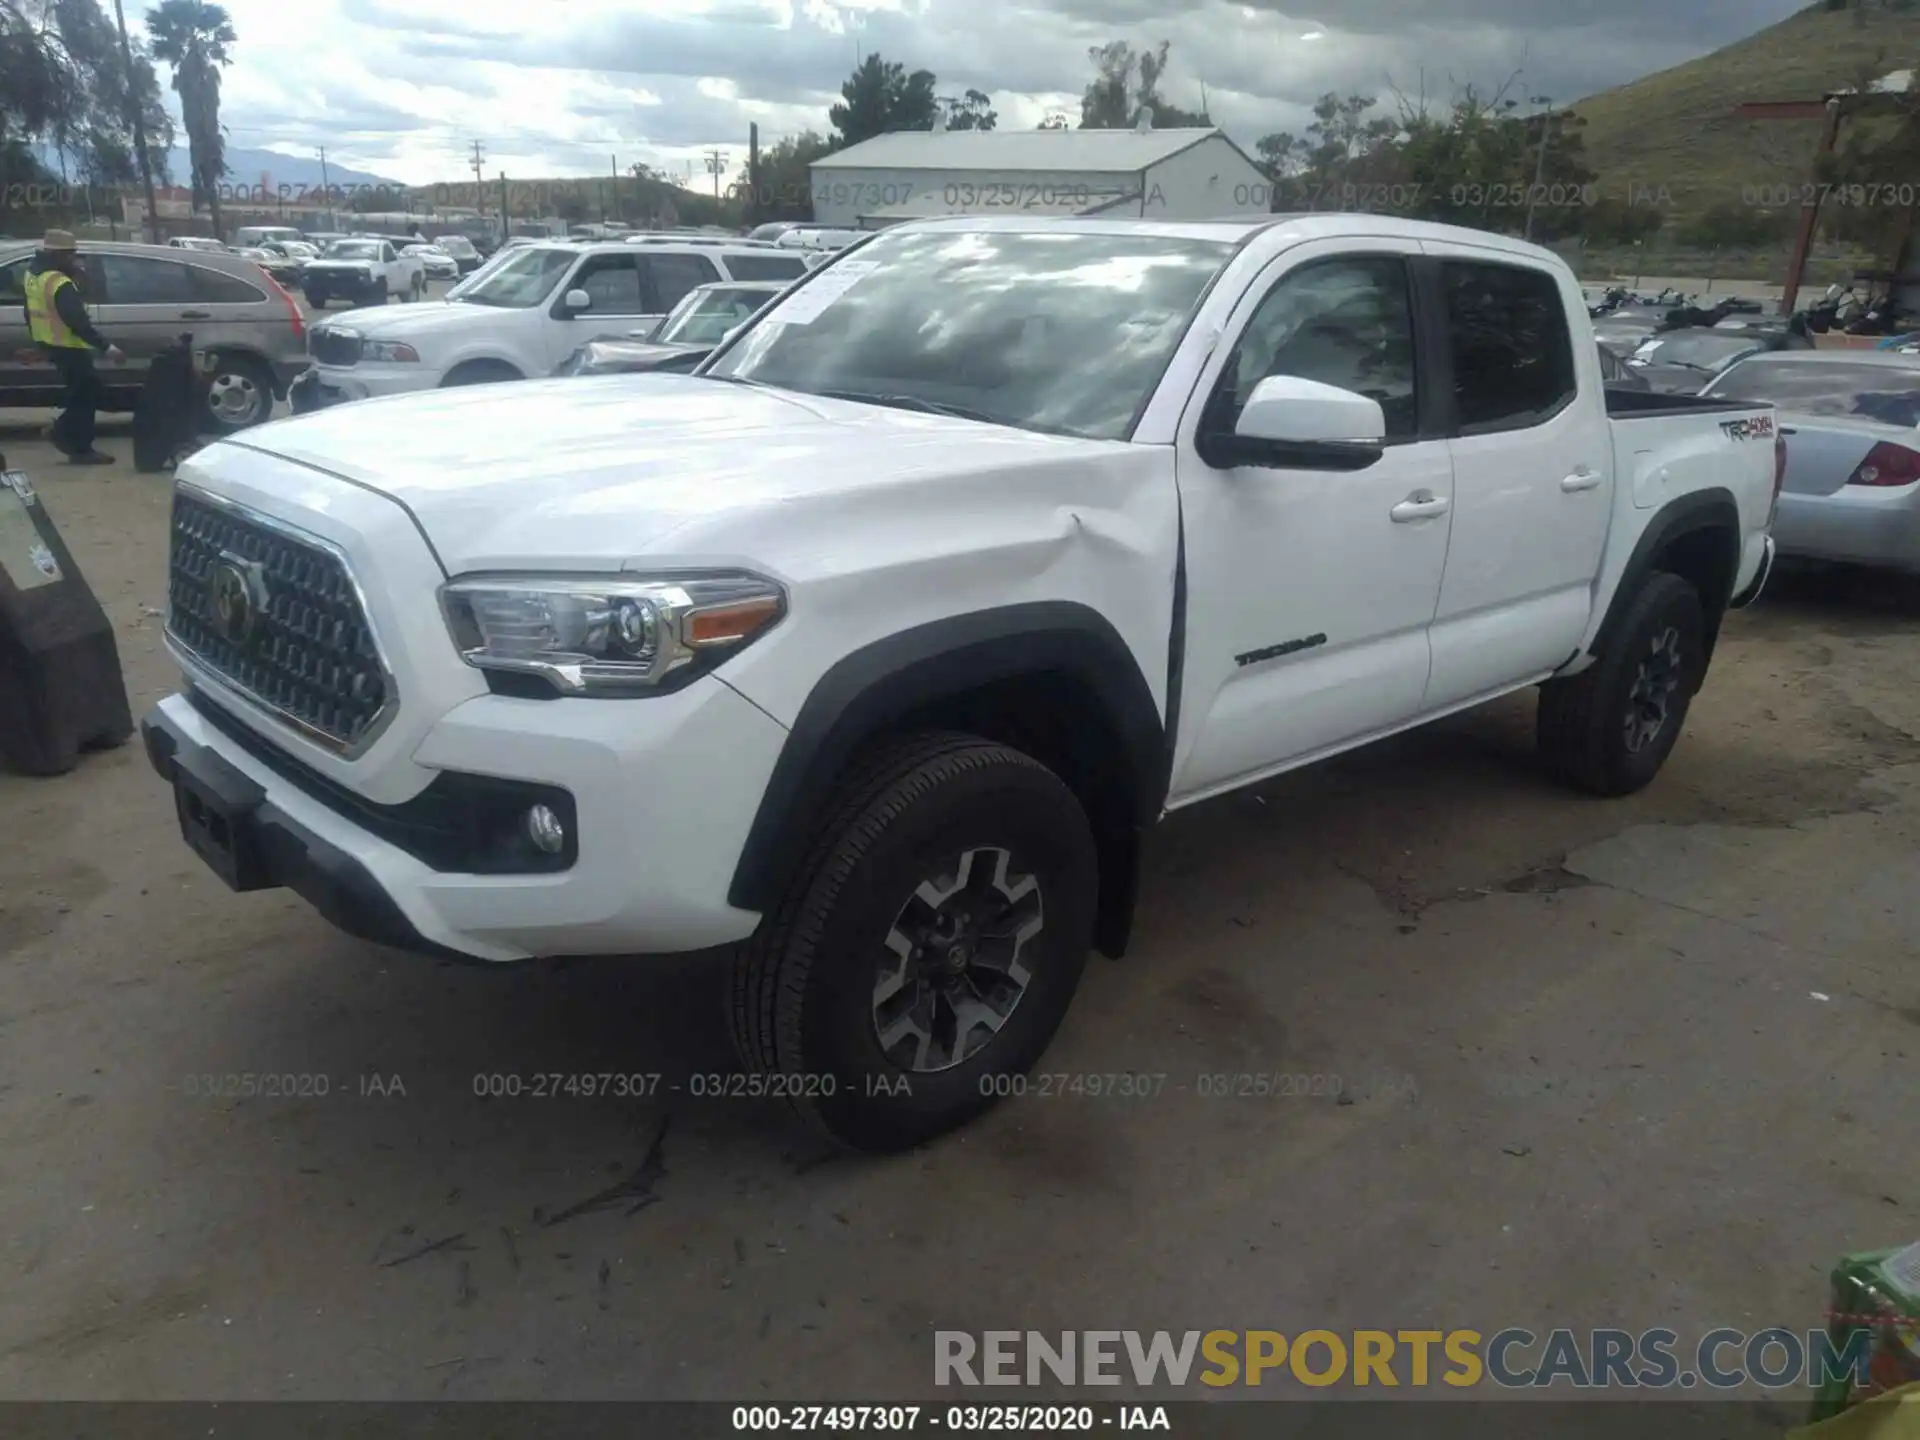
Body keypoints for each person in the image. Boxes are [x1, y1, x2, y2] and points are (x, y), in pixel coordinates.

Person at [21, 230, 125, 465]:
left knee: (83, 392)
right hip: (68, 346)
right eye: (71, 254)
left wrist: (39, 343)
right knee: (88, 394)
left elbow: (29, 311)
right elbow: (77, 321)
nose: (74, 259)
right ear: (59, 254)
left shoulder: (32, 274)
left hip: (52, 344)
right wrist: (107, 347)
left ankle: (65, 434)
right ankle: (78, 447)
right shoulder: (59, 281)